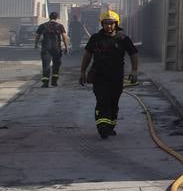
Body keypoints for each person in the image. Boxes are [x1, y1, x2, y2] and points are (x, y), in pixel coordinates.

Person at [78, 10, 139, 139]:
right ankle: (102, 127)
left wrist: (134, 71)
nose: (109, 26)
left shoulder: (123, 39)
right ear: (102, 24)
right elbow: (88, 55)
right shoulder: (95, 38)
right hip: (99, 75)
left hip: (116, 76)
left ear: (116, 24)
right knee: (102, 100)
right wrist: (82, 71)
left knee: (113, 102)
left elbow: (133, 54)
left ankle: (110, 126)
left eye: (111, 23)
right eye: (106, 23)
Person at [33, 10, 69, 87]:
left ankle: (45, 83)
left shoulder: (43, 26)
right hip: (57, 49)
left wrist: (36, 44)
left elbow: (37, 36)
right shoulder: (60, 26)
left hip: (46, 48)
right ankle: (54, 82)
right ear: (57, 18)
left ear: (49, 17)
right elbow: (64, 37)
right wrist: (66, 47)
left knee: (46, 65)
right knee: (56, 65)